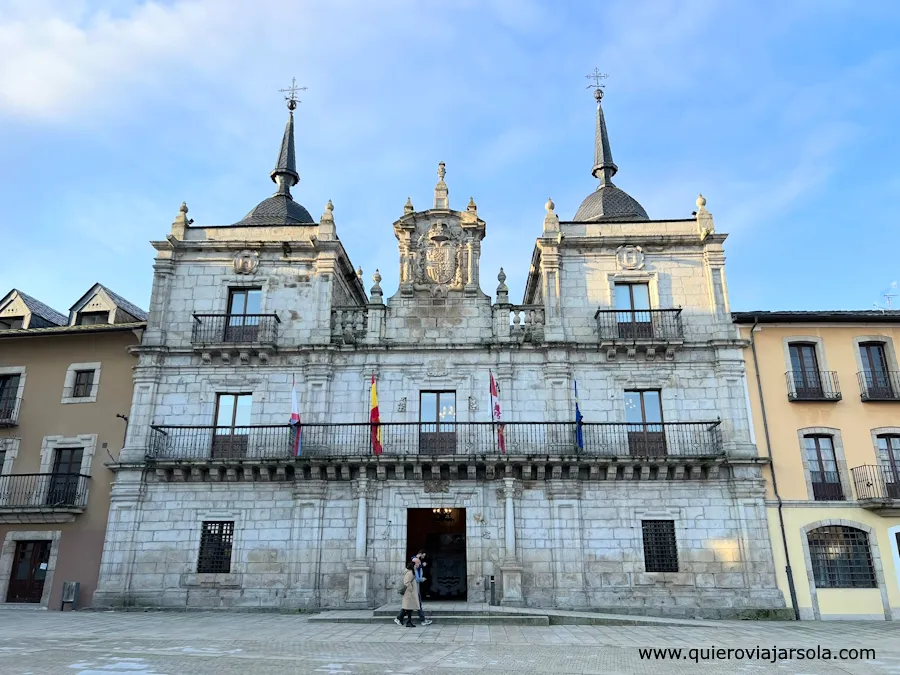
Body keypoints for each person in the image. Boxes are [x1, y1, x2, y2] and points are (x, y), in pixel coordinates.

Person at [394, 561, 419, 627]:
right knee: (407, 608)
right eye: (415, 565)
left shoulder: (411, 573)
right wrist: (411, 589)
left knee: (409, 608)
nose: (416, 566)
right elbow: (407, 582)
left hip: (410, 593)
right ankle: (399, 618)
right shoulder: (409, 573)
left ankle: (406, 621)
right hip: (409, 594)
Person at [411, 550, 433, 626]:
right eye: (423, 555)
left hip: (416, 585)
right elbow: (416, 574)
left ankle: (399, 617)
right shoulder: (415, 560)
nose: (424, 557)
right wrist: (421, 578)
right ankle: (422, 620)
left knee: (415, 604)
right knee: (418, 603)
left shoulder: (417, 561)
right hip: (415, 585)